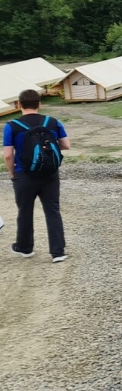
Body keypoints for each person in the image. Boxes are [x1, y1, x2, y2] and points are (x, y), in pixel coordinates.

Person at [4, 89, 69, 262]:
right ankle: (58, 252)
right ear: (39, 104)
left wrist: (12, 173)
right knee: (53, 211)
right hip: (50, 174)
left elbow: (8, 155)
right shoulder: (52, 122)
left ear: (19, 104)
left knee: (25, 211)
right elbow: (66, 145)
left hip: (23, 175)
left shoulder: (12, 126)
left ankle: (25, 248)